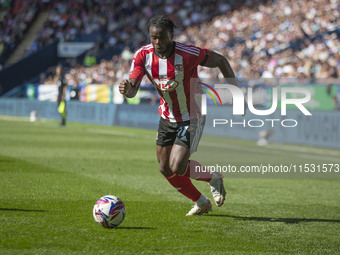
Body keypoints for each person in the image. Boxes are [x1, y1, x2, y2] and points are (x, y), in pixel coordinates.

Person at [119, 15, 237, 216]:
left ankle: (213, 178)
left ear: (171, 35)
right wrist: (126, 89)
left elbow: (221, 60)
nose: (158, 43)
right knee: (165, 168)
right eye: (153, 38)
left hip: (192, 114)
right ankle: (201, 202)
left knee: (177, 165)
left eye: (162, 38)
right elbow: (132, 91)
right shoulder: (142, 55)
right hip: (167, 116)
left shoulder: (188, 53)